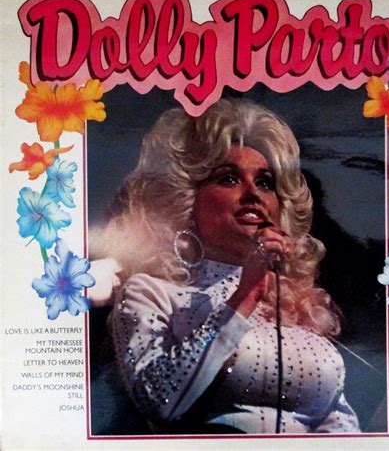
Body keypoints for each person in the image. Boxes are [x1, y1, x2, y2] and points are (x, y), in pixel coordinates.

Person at [98, 98, 360, 434]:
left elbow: (339, 420)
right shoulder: (150, 293)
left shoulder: (298, 309)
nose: (253, 193)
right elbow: (160, 399)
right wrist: (243, 298)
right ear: (187, 199)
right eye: (229, 178)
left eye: (265, 183)